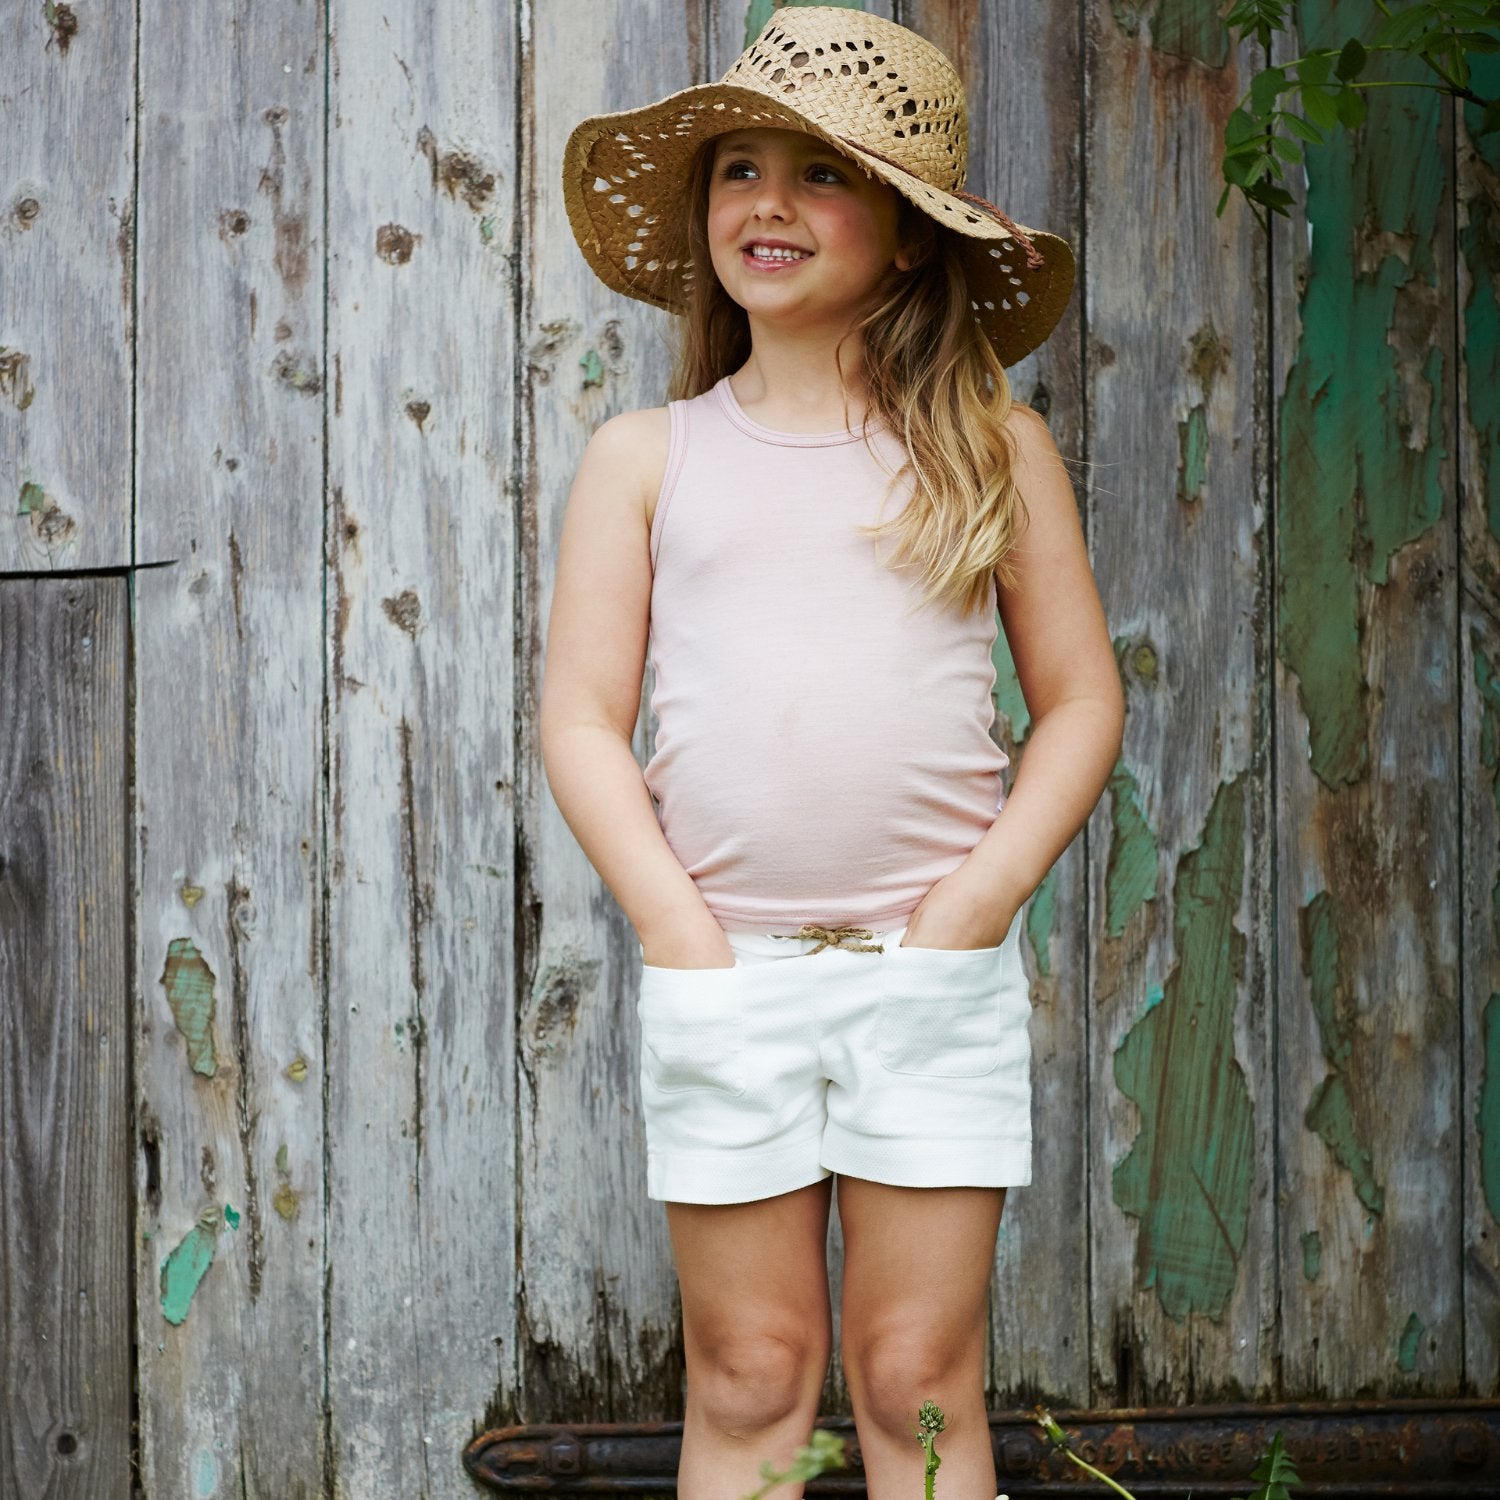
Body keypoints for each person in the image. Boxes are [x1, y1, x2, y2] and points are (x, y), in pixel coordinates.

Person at [541, 9, 1123, 1498]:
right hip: (724, 968)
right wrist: (677, 929)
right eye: (740, 169)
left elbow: (1079, 704)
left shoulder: (992, 448)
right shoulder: (648, 458)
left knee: (914, 1381)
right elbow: (582, 722)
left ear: (915, 237)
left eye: (823, 174)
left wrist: (971, 910)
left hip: (927, 975)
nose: (770, 204)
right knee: (749, 1379)